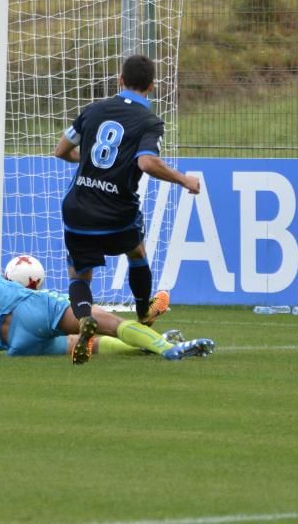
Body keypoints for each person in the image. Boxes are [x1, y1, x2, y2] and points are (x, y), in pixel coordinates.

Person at [0, 186, 215, 361]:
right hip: (26, 306)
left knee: (86, 344)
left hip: (14, 343)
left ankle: (147, 347)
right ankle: (165, 348)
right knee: (102, 319)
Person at [54, 54, 202, 364]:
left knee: (80, 276)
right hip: (116, 212)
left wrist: (84, 162)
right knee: (136, 253)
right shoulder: (149, 121)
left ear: (120, 80)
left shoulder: (93, 110)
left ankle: (84, 321)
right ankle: (143, 312)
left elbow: (61, 150)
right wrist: (182, 179)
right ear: (151, 86)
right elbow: (146, 163)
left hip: (78, 208)